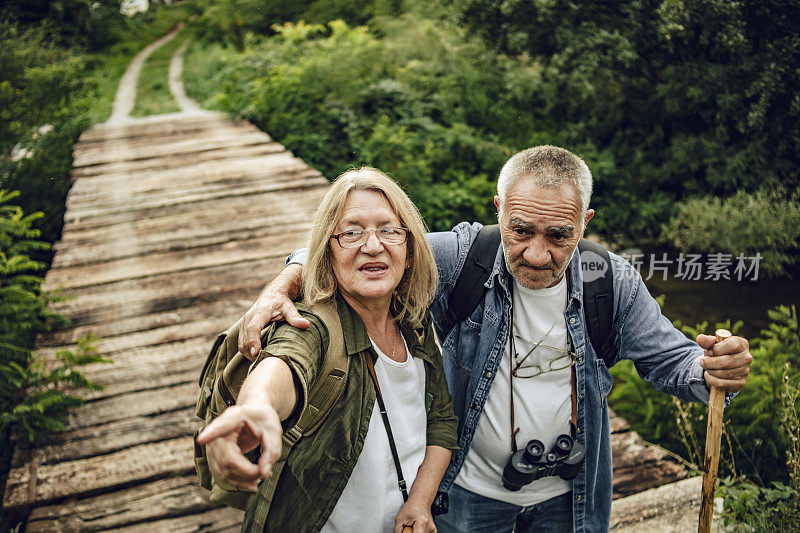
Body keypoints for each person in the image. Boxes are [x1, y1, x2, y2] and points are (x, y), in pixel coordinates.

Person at [238, 146, 753, 533]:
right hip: (468, 493)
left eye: (559, 236)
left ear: (585, 223)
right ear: (499, 208)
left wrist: (712, 368)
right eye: (520, 230)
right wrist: (279, 289)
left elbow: (674, 361)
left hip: (569, 498)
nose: (535, 254)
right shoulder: (465, 258)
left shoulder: (609, 281)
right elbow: (351, 248)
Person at [197, 167, 458, 533]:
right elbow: (285, 361)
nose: (372, 245)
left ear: (409, 250)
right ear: (327, 254)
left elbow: (441, 422)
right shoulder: (314, 326)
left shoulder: (413, 323)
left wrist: (419, 503)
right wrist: (256, 408)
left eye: (388, 230)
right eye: (351, 233)